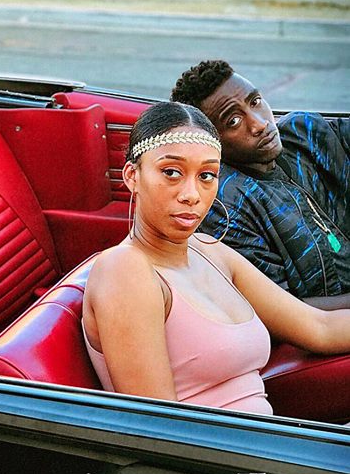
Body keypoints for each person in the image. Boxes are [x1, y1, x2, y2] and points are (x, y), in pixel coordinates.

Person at [82, 102, 350, 415]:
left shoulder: (209, 249)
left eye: (207, 175)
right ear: (132, 176)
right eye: (171, 172)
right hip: (216, 445)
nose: (191, 194)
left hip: (268, 433)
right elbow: (157, 425)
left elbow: (319, 327)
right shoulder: (124, 269)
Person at [170, 60, 350, 310]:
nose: (260, 124)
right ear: (211, 142)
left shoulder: (305, 131)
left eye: (255, 102)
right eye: (233, 121)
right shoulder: (226, 207)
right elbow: (283, 309)